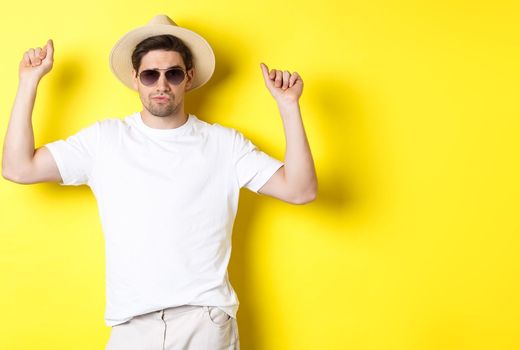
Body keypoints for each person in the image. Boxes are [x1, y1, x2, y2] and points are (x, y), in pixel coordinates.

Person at [2, 14, 317, 350]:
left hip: (204, 321)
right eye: (151, 75)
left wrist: (288, 107)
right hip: (131, 326)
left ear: (189, 78)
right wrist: (28, 82)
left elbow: (300, 190)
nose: (162, 85)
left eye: (173, 74)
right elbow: (18, 168)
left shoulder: (224, 145)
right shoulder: (104, 141)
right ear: (136, 79)